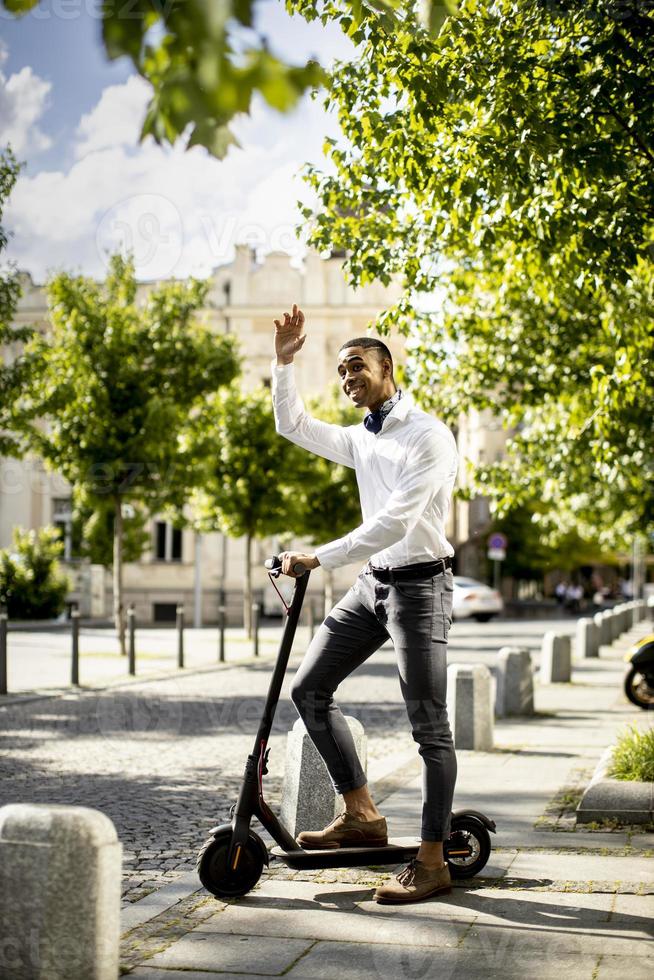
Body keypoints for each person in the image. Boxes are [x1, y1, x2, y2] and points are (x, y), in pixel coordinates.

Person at [271, 303, 459, 904]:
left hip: (420, 586)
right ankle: (361, 814)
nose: (348, 378)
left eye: (357, 367)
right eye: (341, 372)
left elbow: (396, 521)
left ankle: (432, 861)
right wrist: (283, 364)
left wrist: (318, 557)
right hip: (373, 586)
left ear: (387, 369)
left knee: (429, 730)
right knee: (309, 690)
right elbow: (293, 426)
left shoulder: (428, 435)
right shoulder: (360, 438)